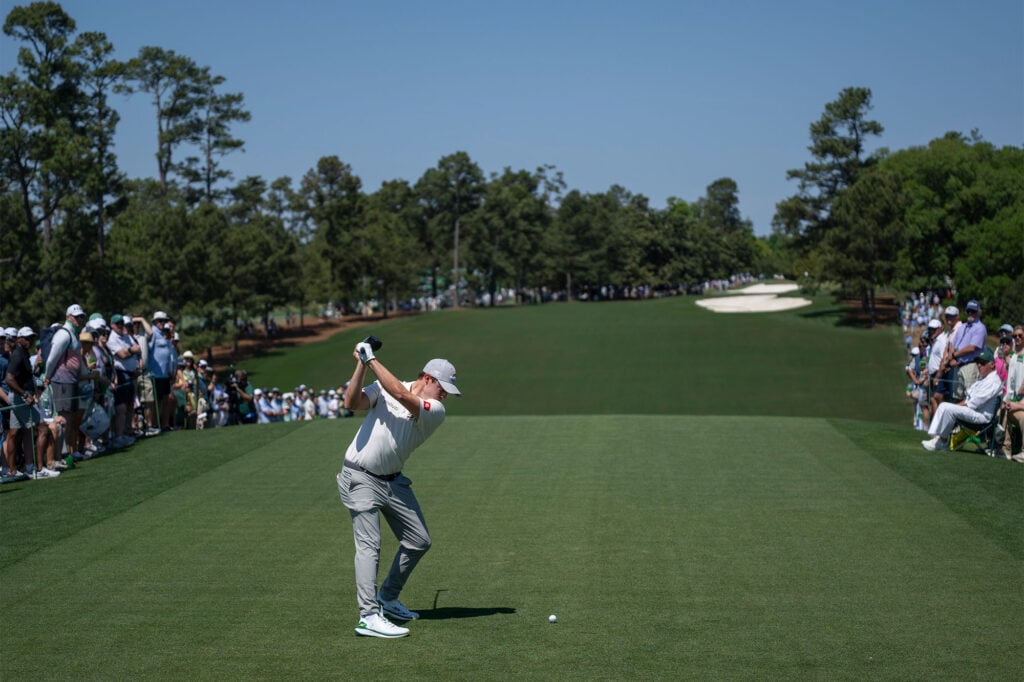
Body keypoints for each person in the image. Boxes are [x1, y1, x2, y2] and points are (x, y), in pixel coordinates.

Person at [336, 341, 460, 639]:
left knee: (419, 540)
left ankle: (387, 598)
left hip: (393, 481)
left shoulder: (435, 410)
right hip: (360, 476)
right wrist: (362, 364)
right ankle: (368, 616)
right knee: (370, 545)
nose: (444, 394)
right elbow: (351, 404)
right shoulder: (385, 386)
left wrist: (371, 358)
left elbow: (401, 394)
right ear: (428, 378)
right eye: (441, 386)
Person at [922, 347, 1003, 451]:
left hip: (981, 417)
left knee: (948, 408)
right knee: (944, 406)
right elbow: (969, 397)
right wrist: (958, 405)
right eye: (978, 362)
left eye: (983, 363)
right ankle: (937, 438)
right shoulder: (983, 379)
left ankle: (941, 441)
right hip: (974, 411)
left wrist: (956, 406)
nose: (979, 365)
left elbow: (974, 402)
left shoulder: (993, 382)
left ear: (992, 364)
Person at [5, 328, 56, 479]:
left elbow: (24, 377)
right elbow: (9, 379)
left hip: (18, 397)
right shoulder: (17, 355)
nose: (29, 341)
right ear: (19, 338)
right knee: (42, 428)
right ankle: (39, 470)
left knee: (14, 434)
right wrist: (25, 394)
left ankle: (13, 471)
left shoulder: (23, 354)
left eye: (32, 338)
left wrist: (35, 372)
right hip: (20, 398)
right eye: (27, 338)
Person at [44, 304, 93, 461]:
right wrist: (47, 376)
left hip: (71, 382)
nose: (80, 319)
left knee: (70, 419)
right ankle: (59, 456)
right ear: (69, 317)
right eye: (77, 316)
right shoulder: (64, 334)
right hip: (61, 381)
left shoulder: (73, 334)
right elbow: (52, 358)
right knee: (63, 419)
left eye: (81, 317)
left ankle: (67, 453)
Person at [106, 314, 141, 447]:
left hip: (131, 374)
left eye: (121, 323)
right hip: (120, 375)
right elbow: (122, 354)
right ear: (112, 325)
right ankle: (118, 435)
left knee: (129, 406)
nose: (120, 325)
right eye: (117, 323)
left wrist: (131, 351)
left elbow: (136, 350)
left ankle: (126, 432)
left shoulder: (127, 336)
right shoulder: (111, 339)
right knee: (120, 407)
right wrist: (131, 350)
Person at [946, 300, 987, 400]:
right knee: (957, 397)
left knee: (969, 398)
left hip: (971, 365)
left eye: (973, 311)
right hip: (958, 366)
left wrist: (954, 355)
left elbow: (972, 347)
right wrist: (951, 358)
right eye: (968, 311)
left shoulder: (980, 328)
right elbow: (953, 344)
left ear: (978, 312)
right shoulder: (962, 326)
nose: (970, 313)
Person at [995, 325, 1024, 461]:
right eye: (1015, 336)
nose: (1017, 338)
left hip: (1021, 403)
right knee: (1000, 411)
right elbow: (1009, 383)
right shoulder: (1013, 357)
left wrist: (1017, 404)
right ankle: (1004, 449)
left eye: (1020, 335)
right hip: (1012, 401)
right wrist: (1006, 401)